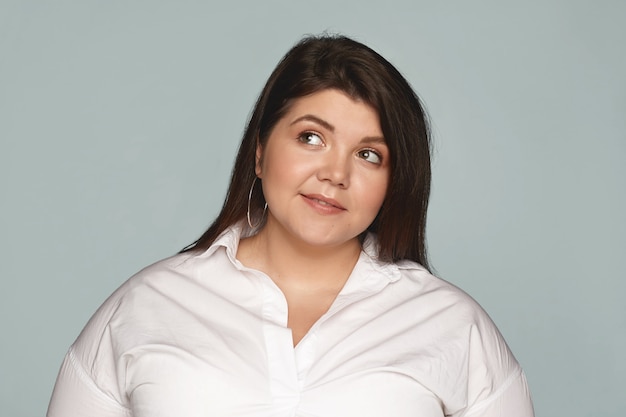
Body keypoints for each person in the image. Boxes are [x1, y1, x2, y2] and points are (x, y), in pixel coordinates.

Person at [47, 35, 534, 417]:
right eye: (311, 137)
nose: (335, 174)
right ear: (259, 152)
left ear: (394, 181)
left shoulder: (452, 326)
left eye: (368, 154)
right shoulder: (144, 307)